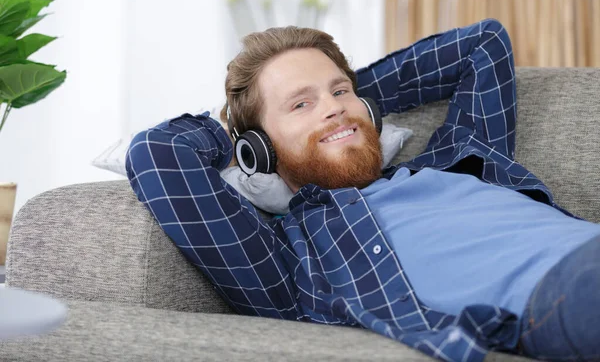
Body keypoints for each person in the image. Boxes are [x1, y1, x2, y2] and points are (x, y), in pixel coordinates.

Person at [126, 19, 600, 362]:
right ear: (259, 150)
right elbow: (157, 152)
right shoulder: (296, 256)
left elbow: (484, 44)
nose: (332, 109)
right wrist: (235, 134)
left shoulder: (458, 159)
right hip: (557, 294)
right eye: (300, 104)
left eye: (339, 92)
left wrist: (347, 96)